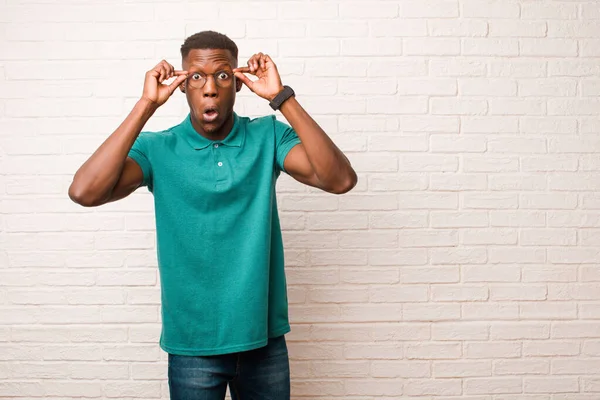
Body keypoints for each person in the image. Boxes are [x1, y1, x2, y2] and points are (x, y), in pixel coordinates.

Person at [68, 31, 357, 400]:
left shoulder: (267, 136)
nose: (209, 88)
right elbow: (84, 191)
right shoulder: (158, 147)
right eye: (196, 77)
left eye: (222, 75)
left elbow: (340, 179)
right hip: (192, 346)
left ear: (237, 83)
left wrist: (281, 99)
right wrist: (146, 104)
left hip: (263, 341)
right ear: (182, 85)